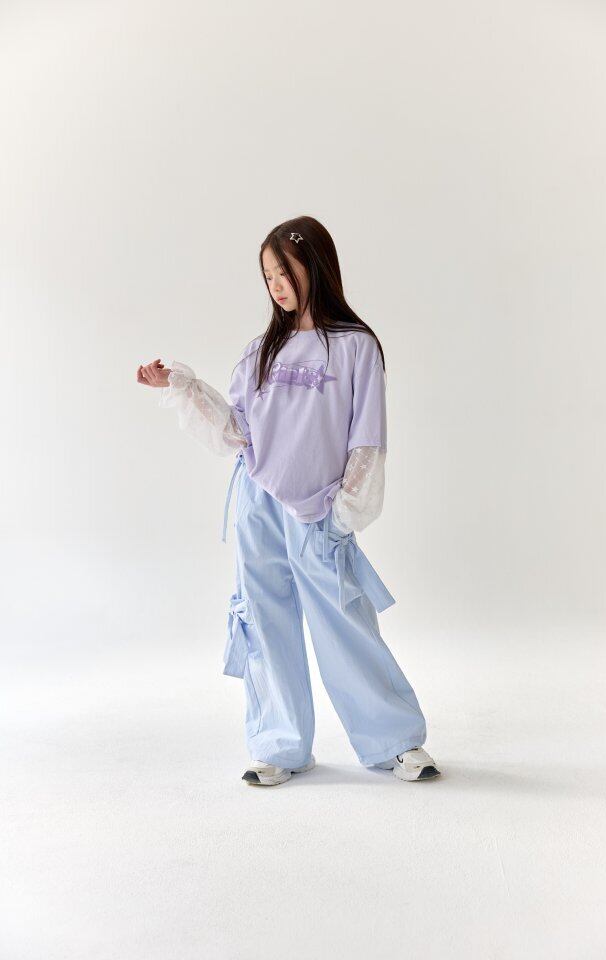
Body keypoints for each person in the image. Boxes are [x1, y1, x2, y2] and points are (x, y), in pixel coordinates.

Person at [137, 215, 440, 787]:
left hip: (320, 509)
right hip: (259, 504)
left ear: (316, 266)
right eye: (268, 275)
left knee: (345, 623)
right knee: (265, 618)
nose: (277, 285)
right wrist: (181, 385)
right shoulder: (261, 352)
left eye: (286, 271)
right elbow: (236, 431)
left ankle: (395, 741)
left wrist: (345, 510)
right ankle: (278, 744)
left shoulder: (355, 347)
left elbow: (366, 438)